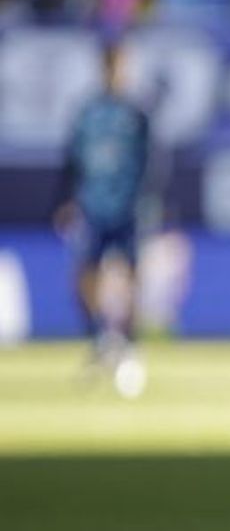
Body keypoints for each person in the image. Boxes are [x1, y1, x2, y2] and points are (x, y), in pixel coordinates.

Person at [55, 40, 150, 380]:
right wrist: (64, 201)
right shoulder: (87, 112)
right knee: (86, 273)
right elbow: (71, 159)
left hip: (129, 206)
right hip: (93, 206)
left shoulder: (136, 113)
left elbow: (152, 159)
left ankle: (129, 341)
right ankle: (98, 339)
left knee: (132, 274)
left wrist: (151, 200)